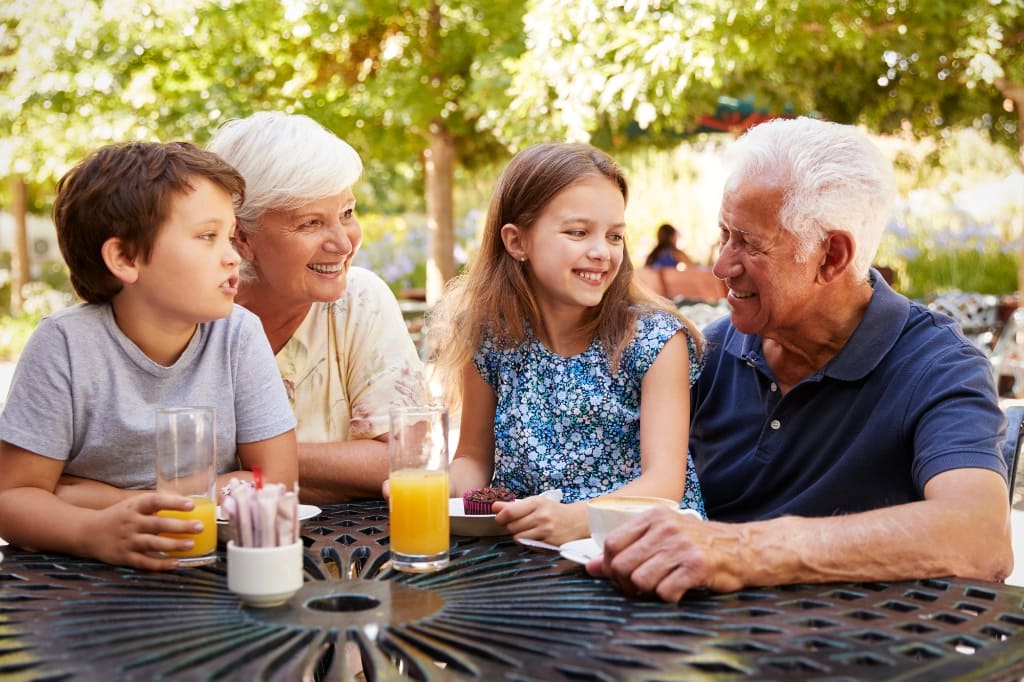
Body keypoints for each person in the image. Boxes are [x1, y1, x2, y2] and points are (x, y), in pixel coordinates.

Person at [588, 117, 1013, 600]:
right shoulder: (704, 353)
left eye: (748, 242)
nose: (723, 266)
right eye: (723, 234)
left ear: (831, 257)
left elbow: (980, 538)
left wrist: (742, 550)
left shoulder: (937, 367)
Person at [0, 141, 299, 570]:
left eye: (230, 237)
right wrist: (92, 533)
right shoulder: (64, 345)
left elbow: (278, 482)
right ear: (124, 257)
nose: (232, 256)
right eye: (207, 237)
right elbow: (13, 499)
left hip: (210, 573)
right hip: (85, 585)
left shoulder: (238, 335)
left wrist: (111, 500)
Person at [429, 142, 706, 547]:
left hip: (639, 553)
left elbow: (664, 484)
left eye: (615, 236)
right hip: (525, 556)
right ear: (516, 242)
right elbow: (473, 457)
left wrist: (576, 520)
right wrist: (439, 488)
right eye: (578, 232)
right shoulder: (490, 339)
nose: (601, 252)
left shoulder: (654, 340)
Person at [207, 112, 426, 505]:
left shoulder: (360, 302)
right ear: (241, 236)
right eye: (310, 223)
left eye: (347, 213)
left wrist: (248, 466)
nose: (343, 243)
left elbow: (408, 459)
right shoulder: (191, 313)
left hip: (347, 555)